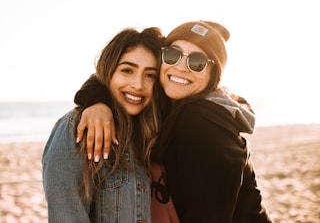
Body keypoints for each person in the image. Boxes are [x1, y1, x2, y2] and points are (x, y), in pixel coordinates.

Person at [73, 20, 273, 222]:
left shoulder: (202, 121)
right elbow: (107, 74)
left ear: (213, 75)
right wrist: (97, 102)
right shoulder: (172, 102)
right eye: (172, 55)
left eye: (197, 62)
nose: (181, 67)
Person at [42, 26, 165, 222]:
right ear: (108, 72)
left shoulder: (152, 129)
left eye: (150, 75)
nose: (138, 85)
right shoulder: (75, 129)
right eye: (127, 70)